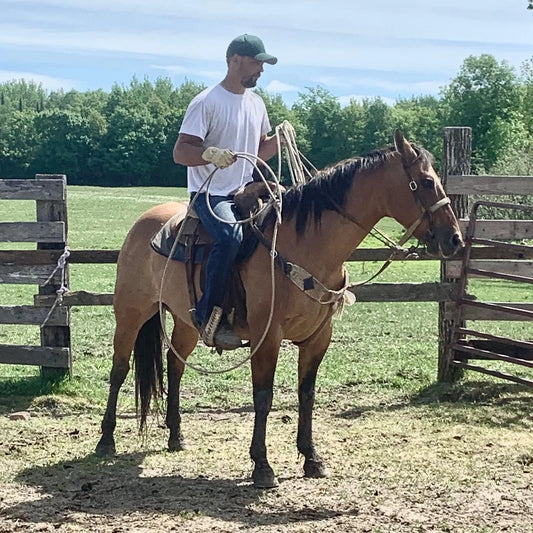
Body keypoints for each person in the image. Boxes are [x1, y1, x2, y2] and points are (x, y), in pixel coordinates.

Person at [173, 34, 281, 350]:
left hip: (245, 190)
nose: (261, 69)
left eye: (262, 63)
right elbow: (181, 152)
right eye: (256, 62)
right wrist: (208, 154)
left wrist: (281, 140)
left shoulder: (257, 104)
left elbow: (258, 151)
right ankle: (207, 316)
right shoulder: (206, 101)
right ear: (234, 60)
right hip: (211, 195)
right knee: (230, 237)